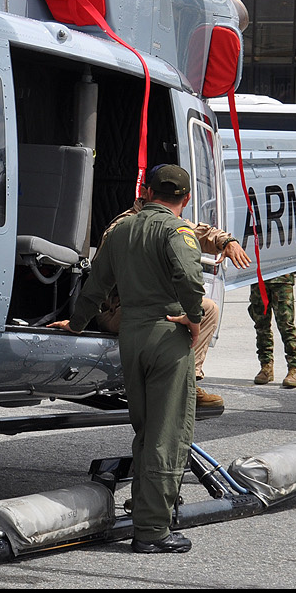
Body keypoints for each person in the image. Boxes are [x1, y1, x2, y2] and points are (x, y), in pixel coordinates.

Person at [48, 164, 205, 555]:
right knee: (168, 434)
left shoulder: (121, 230)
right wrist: (194, 316)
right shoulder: (178, 230)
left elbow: (96, 285)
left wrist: (77, 324)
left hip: (131, 337)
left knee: (145, 429)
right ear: (184, 198)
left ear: (147, 190)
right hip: (167, 336)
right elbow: (189, 276)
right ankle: (153, 530)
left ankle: (143, 509)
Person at [93, 187, 251, 415]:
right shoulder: (124, 227)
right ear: (147, 194)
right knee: (183, 308)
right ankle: (167, 382)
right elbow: (100, 280)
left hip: (145, 307)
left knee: (208, 309)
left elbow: (203, 233)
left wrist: (228, 241)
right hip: (120, 308)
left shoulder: (170, 222)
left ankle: (188, 382)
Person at [250, 266, 296, 388]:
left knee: (286, 325)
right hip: (259, 278)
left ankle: (294, 369)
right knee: (261, 325)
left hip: (282, 278)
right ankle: (266, 367)